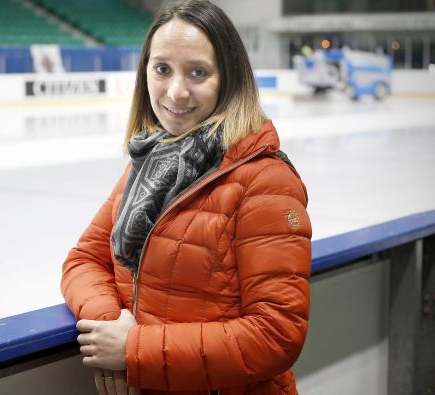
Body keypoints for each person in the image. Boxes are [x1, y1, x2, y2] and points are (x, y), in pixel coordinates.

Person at [61, 1, 312, 394]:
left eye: (198, 72)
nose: (176, 92)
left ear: (229, 79)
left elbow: (276, 335)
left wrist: (134, 348)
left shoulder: (265, 181)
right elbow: (84, 260)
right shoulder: (146, 169)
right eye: (162, 69)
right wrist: (111, 325)